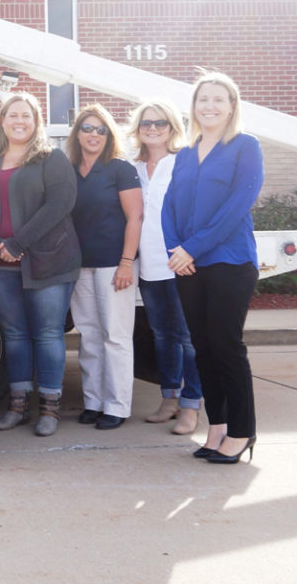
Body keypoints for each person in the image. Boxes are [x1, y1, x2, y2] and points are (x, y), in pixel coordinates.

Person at [162, 71, 263, 464]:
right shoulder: (185, 153)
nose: (210, 106)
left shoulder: (245, 146)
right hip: (187, 265)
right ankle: (217, 427)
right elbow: (169, 205)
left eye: (218, 99)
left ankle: (242, 431)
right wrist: (176, 249)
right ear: (194, 107)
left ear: (232, 106)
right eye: (203, 99)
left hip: (230, 261)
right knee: (202, 347)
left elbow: (236, 207)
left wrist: (191, 248)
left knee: (226, 346)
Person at [0, 92, 80, 437]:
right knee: (14, 335)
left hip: (49, 262)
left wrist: (18, 243)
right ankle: (17, 406)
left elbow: (61, 203)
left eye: (26, 116)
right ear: (3, 121)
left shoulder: (50, 158)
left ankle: (49, 409)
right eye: (13, 115)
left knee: (47, 334)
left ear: (36, 122)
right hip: (1, 265)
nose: (19, 121)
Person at [66, 104, 143, 431]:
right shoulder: (69, 169)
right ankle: (94, 401)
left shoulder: (120, 169)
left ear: (109, 135)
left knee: (116, 336)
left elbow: (135, 217)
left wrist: (127, 262)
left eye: (100, 130)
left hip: (116, 265)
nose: (94, 134)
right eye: (87, 128)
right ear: (77, 133)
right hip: (80, 267)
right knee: (90, 336)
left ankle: (117, 405)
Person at [130, 100, 202, 434]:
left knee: (187, 337)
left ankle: (191, 406)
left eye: (160, 123)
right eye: (146, 123)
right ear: (138, 129)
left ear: (172, 128)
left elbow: (195, 209)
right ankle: (169, 398)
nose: (153, 128)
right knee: (162, 335)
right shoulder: (133, 166)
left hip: (180, 262)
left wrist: (189, 250)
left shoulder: (183, 162)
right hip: (149, 265)